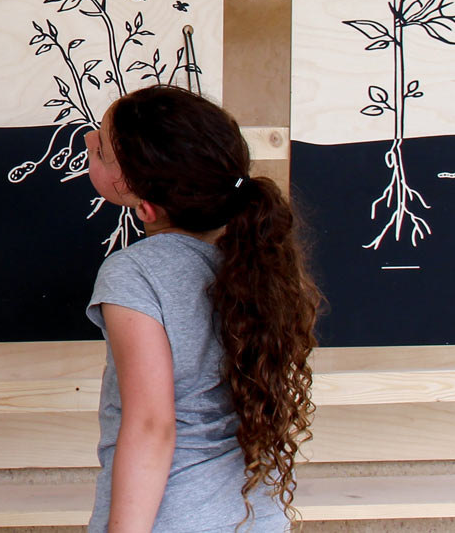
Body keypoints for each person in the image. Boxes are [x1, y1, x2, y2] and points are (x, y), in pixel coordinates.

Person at [82, 85, 319, 533]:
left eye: (104, 151)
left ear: (145, 206)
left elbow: (153, 425)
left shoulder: (134, 274)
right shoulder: (259, 262)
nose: (90, 140)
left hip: (169, 517)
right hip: (257, 516)